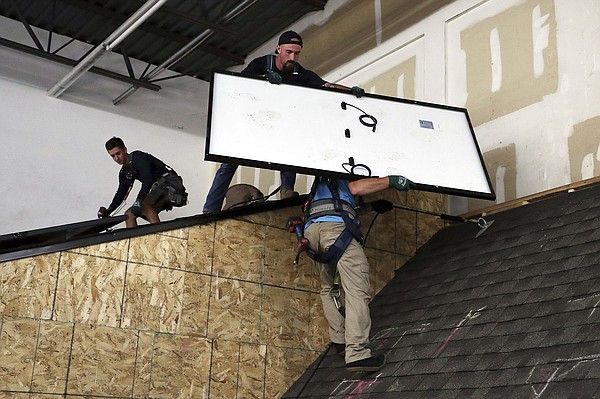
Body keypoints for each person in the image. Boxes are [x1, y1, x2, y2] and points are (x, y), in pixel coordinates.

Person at [202, 30, 366, 213]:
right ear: (278, 49)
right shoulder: (261, 64)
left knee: (290, 147)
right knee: (228, 162)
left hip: (276, 125)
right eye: (288, 52)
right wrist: (264, 80)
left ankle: (287, 190)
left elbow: (325, 86)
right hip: (250, 123)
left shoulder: (299, 72)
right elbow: (240, 83)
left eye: (296, 53)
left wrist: (350, 91)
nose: (292, 57)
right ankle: (210, 209)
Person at [303, 175, 414, 372]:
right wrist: (391, 181)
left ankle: (340, 341)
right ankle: (357, 353)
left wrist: (372, 207)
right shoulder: (341, 171)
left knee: (328, 288)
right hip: (336, 230)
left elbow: (337, 205)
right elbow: (355, 188)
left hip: (312, 232)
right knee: (356, 290)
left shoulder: (321, 181)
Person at [98, 137, 188, 228]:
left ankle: (158, 234)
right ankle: (134, 239)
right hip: (159, 186)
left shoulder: (138, 157)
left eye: (118, 153)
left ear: (125, 150)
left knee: (144, 204)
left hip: (170, 182)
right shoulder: (124, 172)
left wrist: (139, 200)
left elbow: (147, 179)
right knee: (129, 215)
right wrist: (109, 211)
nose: (116, 158)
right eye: (113, 156)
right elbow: (121, 193)